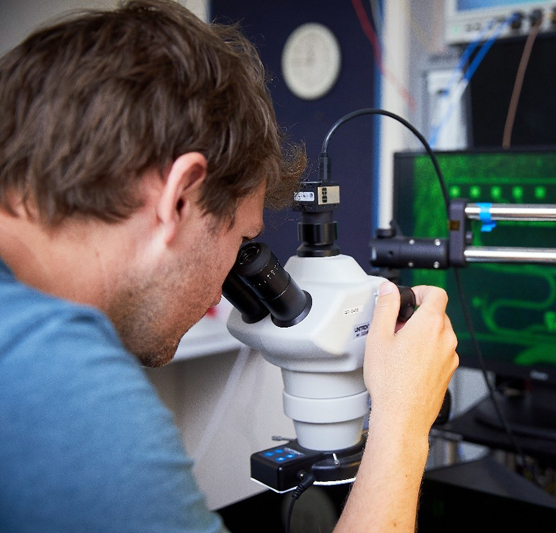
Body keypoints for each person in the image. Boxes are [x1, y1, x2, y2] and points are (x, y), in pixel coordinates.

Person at [0, 1, 459, 531]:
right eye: (243, 243)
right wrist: (404, 421)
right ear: (178, 198)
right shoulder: (63, 387)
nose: (225, 290)